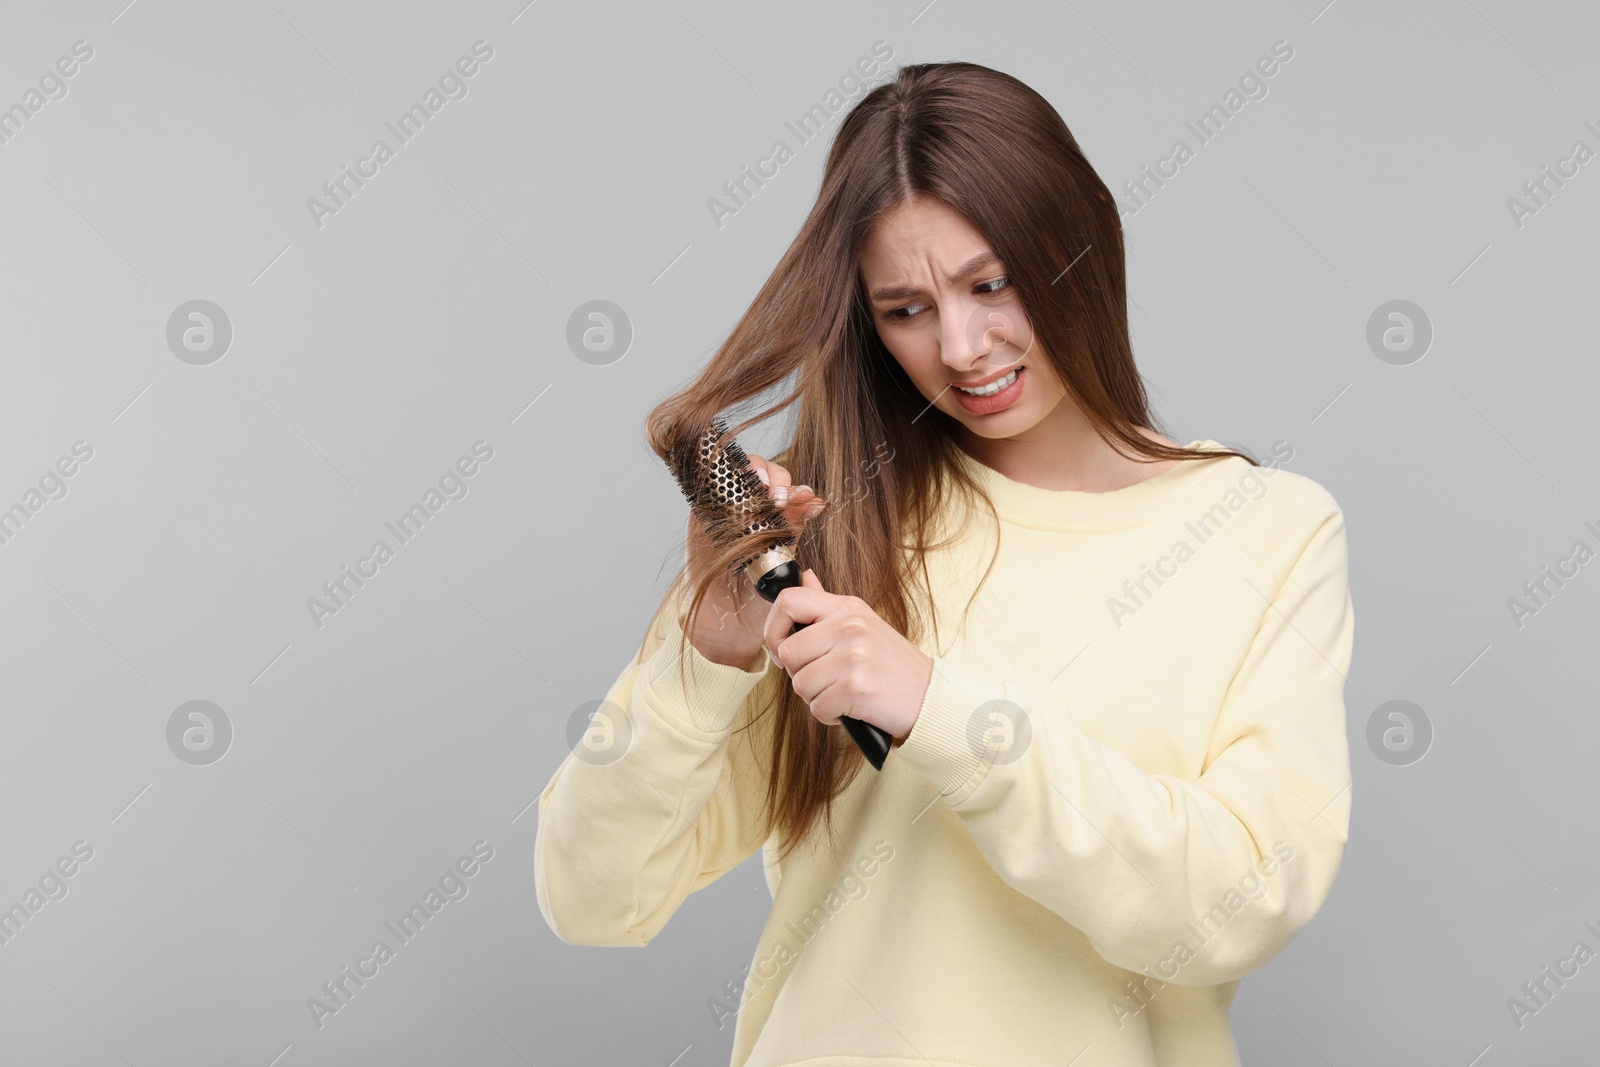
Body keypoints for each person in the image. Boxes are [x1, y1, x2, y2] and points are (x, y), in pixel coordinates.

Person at [535, 60, 1354, 1067]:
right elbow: (591, 896)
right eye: (905, 309)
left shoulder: (1264, 528)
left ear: (1081, 245)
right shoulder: (825, 533)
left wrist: (942, 710)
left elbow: (1242, 897)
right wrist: (702, 653)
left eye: (990, 283)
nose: (962, 346)